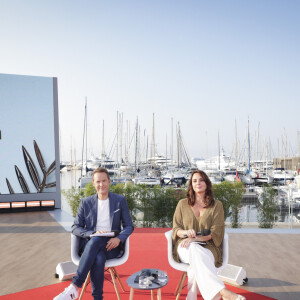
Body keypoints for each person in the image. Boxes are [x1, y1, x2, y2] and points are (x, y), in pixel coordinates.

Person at [54, 167, 134, 300]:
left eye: (104, 181)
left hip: (111, 245)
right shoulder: (86, 203)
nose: (101, 184)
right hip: (91, 245)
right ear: (93, 183)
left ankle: (74, 286)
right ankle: (97, 298)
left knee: (98, 247)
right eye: (98, 182)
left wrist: (119, 239)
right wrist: (92, 233)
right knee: (98, 253)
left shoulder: (120, 201)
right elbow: (75, 227)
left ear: (109, 181)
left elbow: (129, 226)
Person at [172, 170, 245, 300]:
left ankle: (192, 294)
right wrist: (185, 233)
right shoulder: (182, 204)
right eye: (194, 181)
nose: (198, 183)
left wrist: (195, 239)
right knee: (193, 249)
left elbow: (216, 231)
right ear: (191, 185)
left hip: (209, 247)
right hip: (184, 246)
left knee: (196, 253)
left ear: (206, 183)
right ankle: (222, 292)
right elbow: (176, 228)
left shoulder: (217, 205)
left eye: (201, 180)